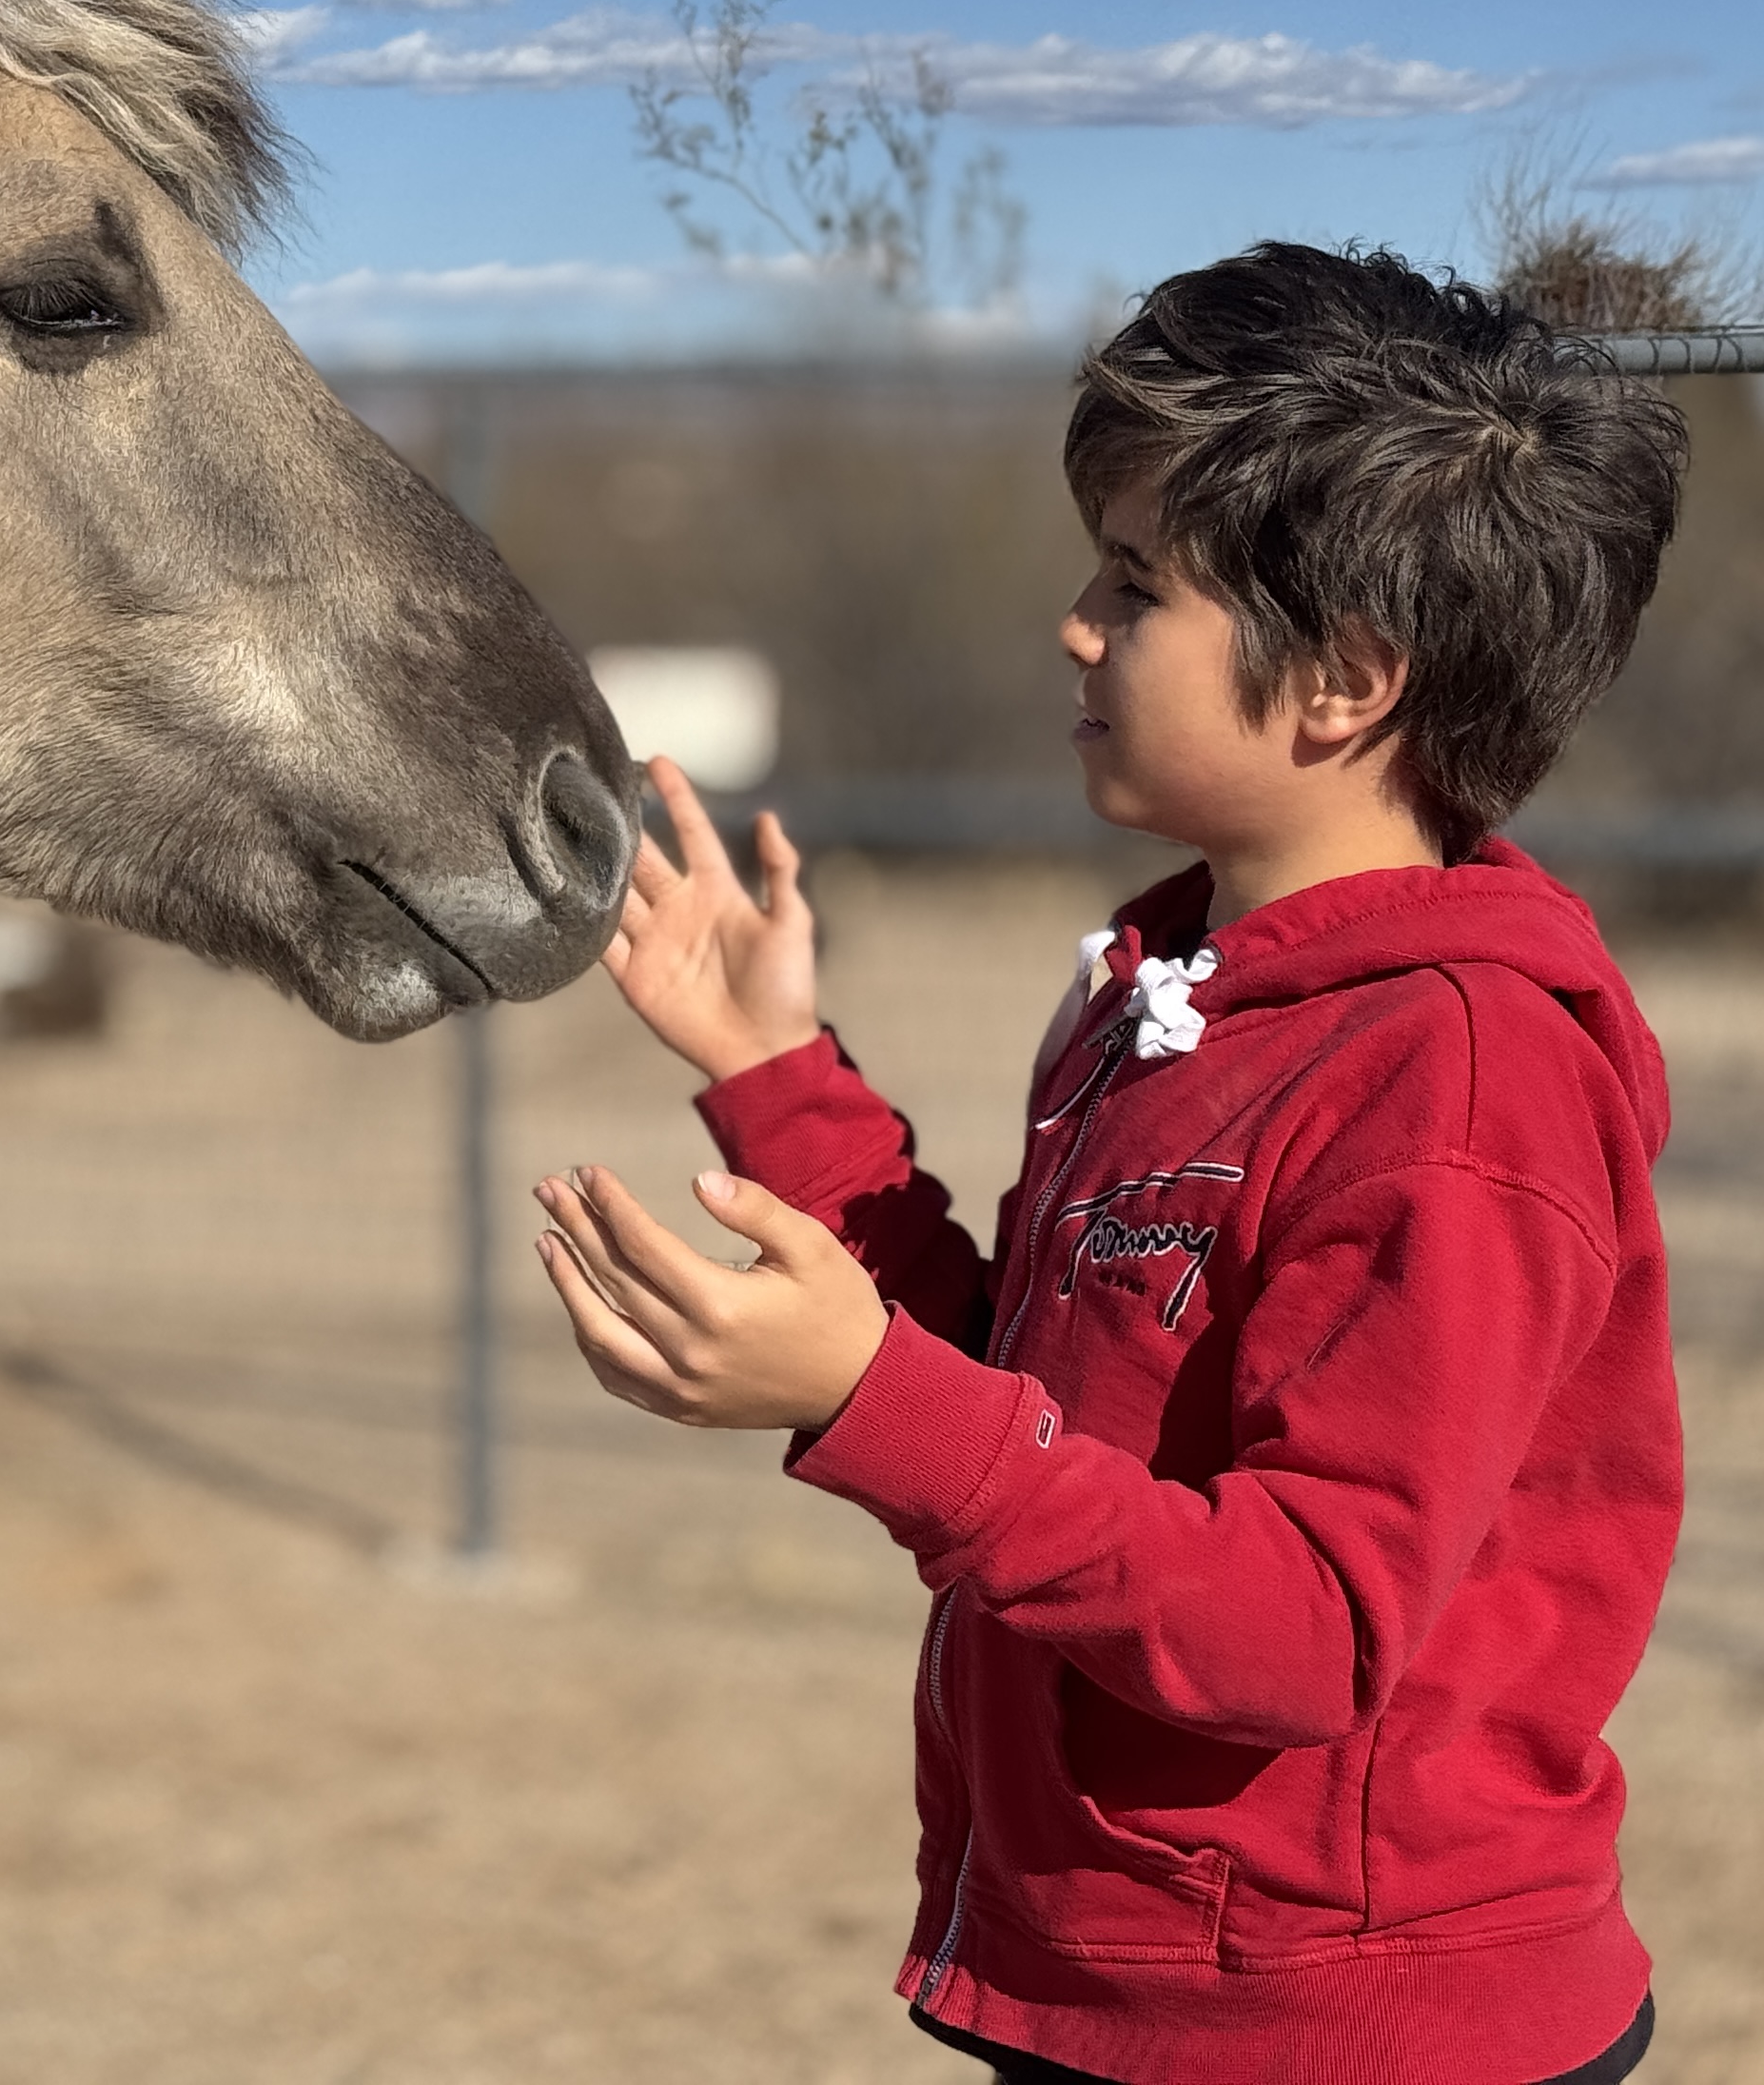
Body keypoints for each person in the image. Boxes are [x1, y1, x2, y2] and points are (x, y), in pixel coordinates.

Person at [534, 244, 1690, 2085]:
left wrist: (866, 1401)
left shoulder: (1463, 1085)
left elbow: (1303, 1628)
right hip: (1133, 1984)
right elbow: (1035, 1395)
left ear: (1344, 680)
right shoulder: (1173, 991)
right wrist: (774, 1072)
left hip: (1336, 2032)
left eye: (1137, 585)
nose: (1076, 626)